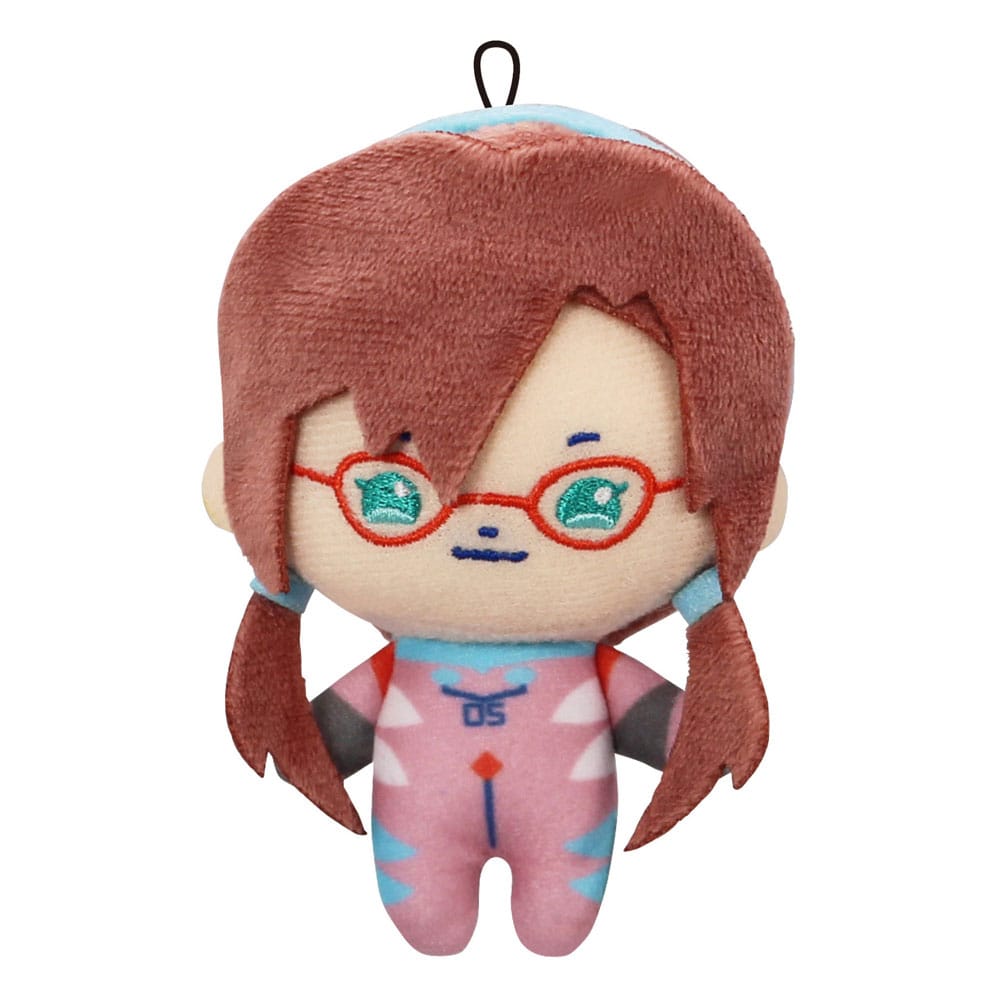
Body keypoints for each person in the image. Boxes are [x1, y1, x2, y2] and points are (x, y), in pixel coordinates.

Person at [203, 105, 793, 954]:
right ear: (239, 486)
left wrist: (695, 729)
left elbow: (664, 726)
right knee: (430, 922)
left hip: (557, 832)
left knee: (556, 926)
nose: (485, 530)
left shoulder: (477, 668)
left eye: (591, 499)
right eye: (391, 497)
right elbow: (331, 735)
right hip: (428, 831)